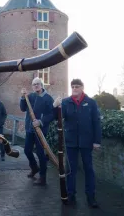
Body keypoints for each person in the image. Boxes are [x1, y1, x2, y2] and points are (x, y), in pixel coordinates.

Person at [53, 79, 101, 208]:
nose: (74, 88)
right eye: (73, 86)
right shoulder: (65, 102)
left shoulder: (91, 103)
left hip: (87, 142)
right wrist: (55, 106)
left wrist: (97, 141)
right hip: (71, 142)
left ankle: (91, 196)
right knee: (71, 170)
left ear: (82, 88)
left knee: (88, 169)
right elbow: (56, 117)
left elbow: (96, 123)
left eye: (77, 86)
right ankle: (71, 195)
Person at [20, 77, 55, 186]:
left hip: (40, 130)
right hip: (30, 129)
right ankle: (35, 168)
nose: (36, 86)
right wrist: (22, 98)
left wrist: (41, 121)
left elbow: (52, 115)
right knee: (27, 150)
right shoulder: (30, 96)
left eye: (38, 84)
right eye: (34, 84)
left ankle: (43, 177)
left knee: (40, 154)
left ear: (41, 85)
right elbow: (23, 108)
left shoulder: (48, 98)